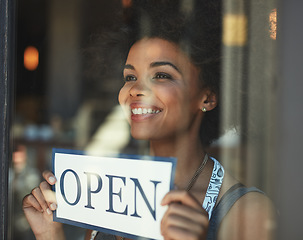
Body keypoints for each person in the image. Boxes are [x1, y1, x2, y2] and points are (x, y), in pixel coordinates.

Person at [22, 1, 275, 240]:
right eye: (130, 77)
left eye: (162, 75)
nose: (135, 90)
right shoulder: (107, 194)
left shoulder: (247, 211)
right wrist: (49, 234)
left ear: (207, 98)